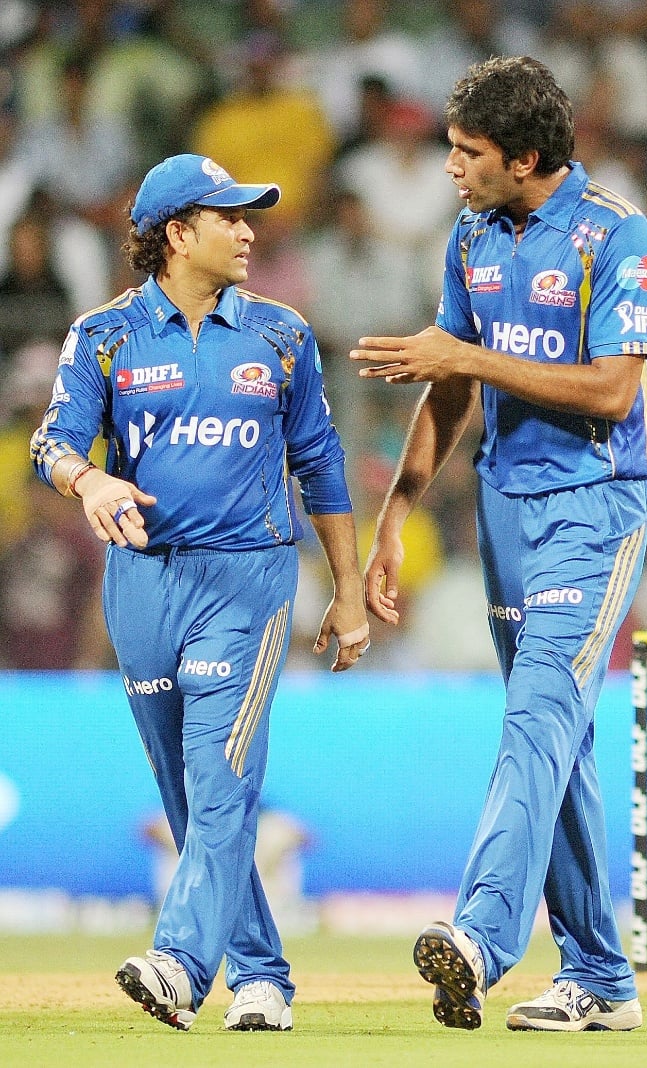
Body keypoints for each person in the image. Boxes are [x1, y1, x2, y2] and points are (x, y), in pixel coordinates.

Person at [352, 56, 647, 1033]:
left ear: (524, 158)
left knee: (536, 719)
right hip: (502, 512)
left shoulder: (614, 233)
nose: (449, 167)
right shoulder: (471, 235)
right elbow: (449, 390)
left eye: (466, 152)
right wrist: (394, 519)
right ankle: (600, 980)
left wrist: (468, 356)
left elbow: (614, 389)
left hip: (592, 508)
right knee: (557, 745)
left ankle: (481, 942)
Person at [28, 153, 370, 1032]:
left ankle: (180, 963)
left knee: (219, 779)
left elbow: (322, 466)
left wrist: (347, 589)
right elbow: (52, 443)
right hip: (143, 584)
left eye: (250, 215)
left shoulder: (282, 335)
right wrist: (90, 483)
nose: (250, 230)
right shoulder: (103, 335)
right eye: (230, 217)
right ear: (178, 234)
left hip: (247, 579)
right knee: (190, 797)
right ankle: (261, 977)